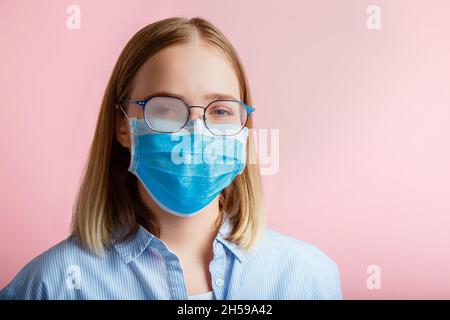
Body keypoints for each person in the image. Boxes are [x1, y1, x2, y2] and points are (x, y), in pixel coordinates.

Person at [0, 17, 342, 300]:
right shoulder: (52, 285)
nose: (196, 130)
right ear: (123, 126)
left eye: (220, 110)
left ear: (243, 126)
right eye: (165, 108)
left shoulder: (307, 277)